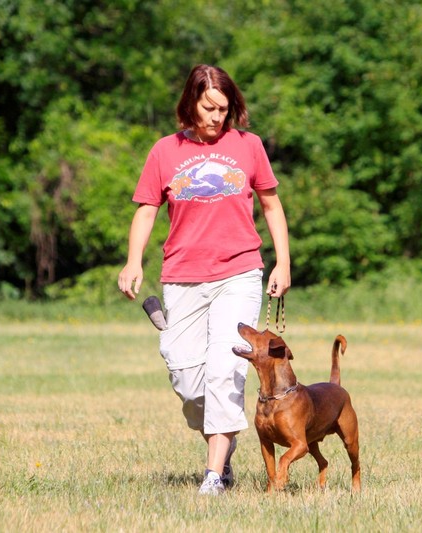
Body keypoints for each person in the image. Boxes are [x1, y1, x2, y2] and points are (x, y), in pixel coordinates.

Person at [117, 64, 291, 495]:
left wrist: (282, 263)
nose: (216, 116)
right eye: (208, 107)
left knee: (224, 371)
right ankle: (223, 446)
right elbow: (146, 208)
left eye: (223, 109)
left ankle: (214, 476)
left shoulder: (248, 146)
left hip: (239, 271)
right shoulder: (165, 151)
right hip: (182, 275)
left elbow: (271, 204)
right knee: (186, 377)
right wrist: (133, 260)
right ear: (190, 103)